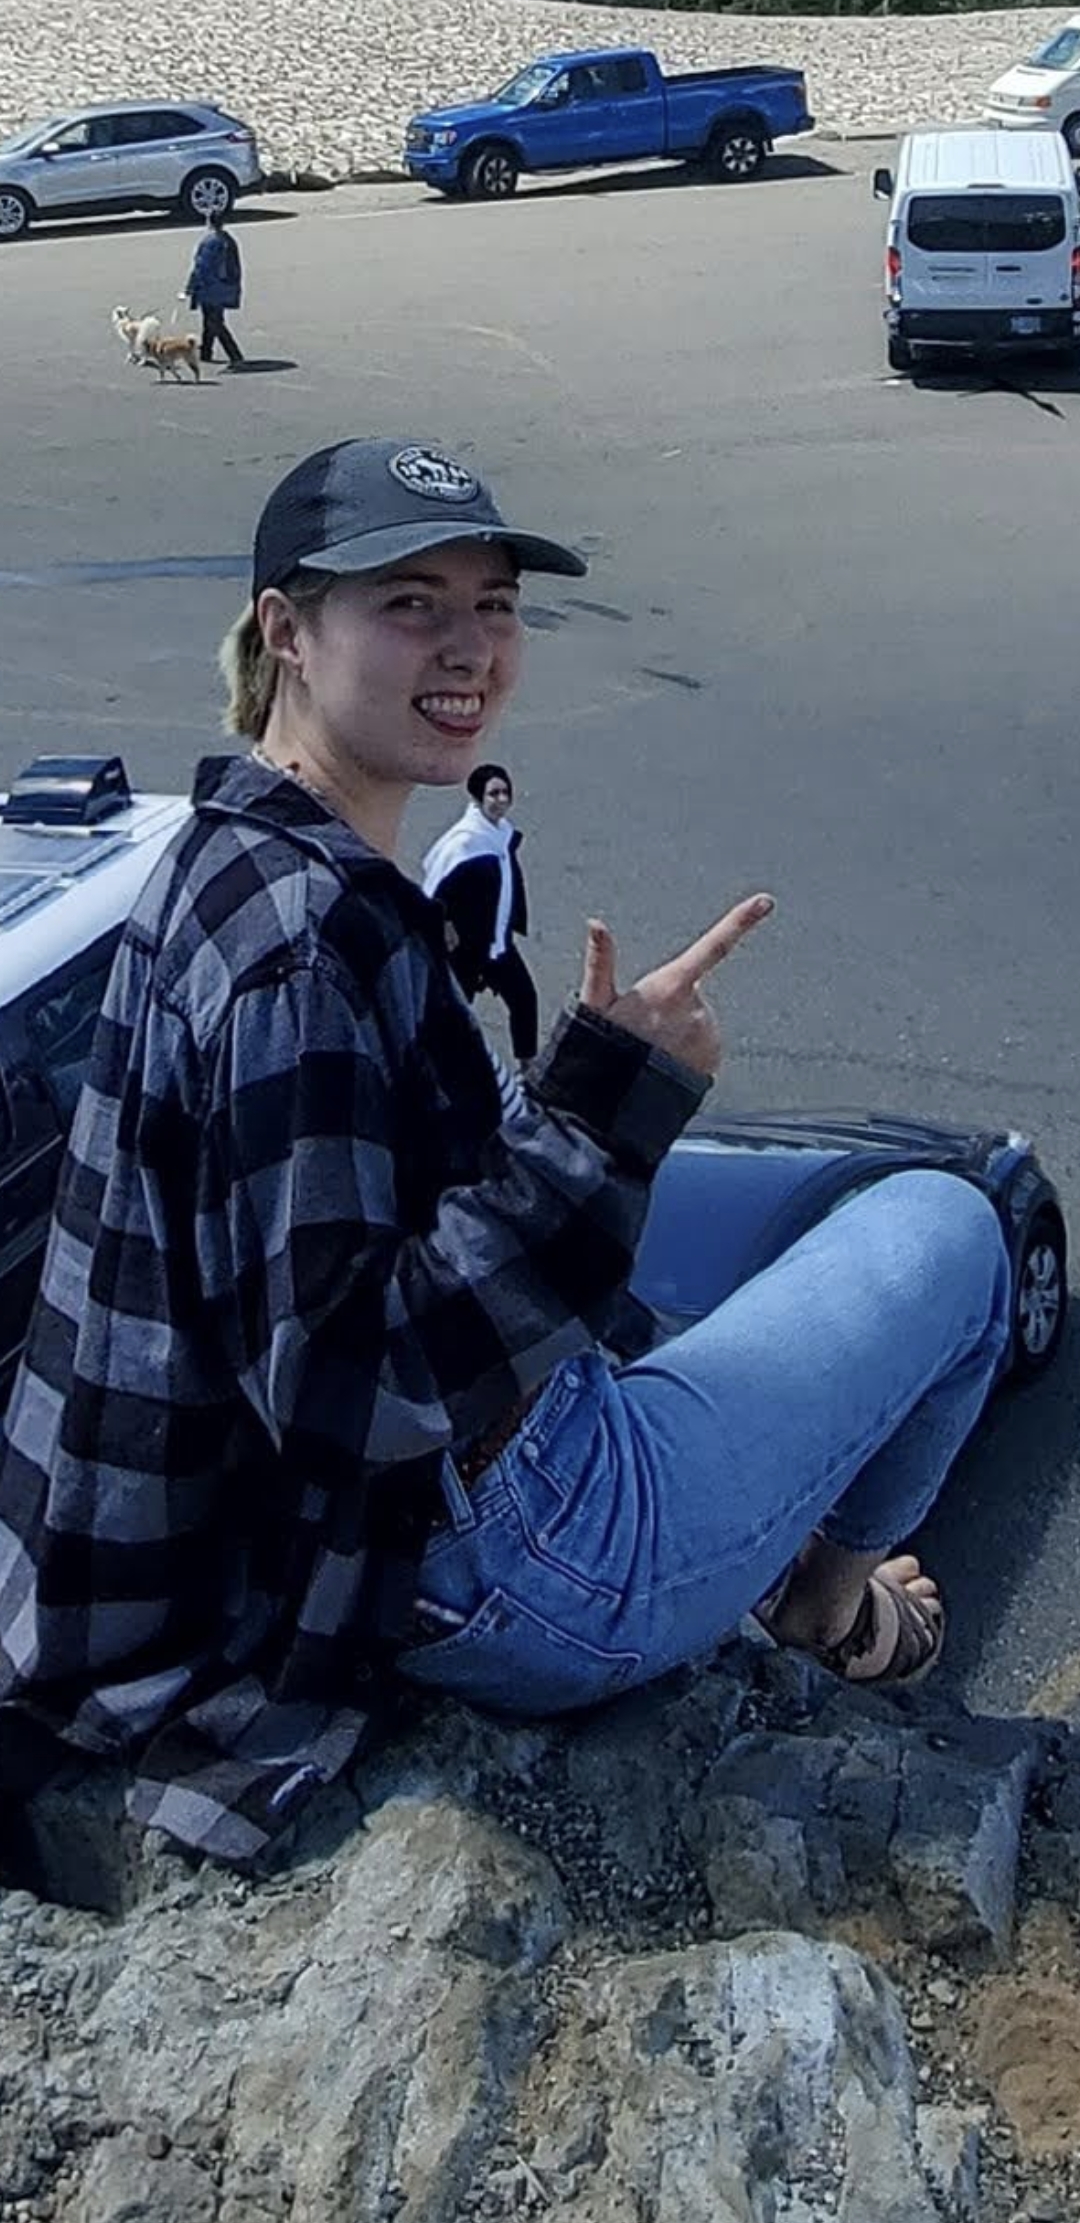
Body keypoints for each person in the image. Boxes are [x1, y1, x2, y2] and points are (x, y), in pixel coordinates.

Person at [0, 438, 1011, 1866]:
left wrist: (588, 1095)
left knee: (739, 1284)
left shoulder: (223, 856)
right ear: (286, 631)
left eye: (494, 604)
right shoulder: (305, 952)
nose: (468, 647)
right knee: (951, 1230)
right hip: (485, 1561)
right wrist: (602, 1117)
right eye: (409, 604)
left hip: (271, 1548)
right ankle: (830, 1603)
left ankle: (772, 1537)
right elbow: (346, 1386)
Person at [421, 763, 539, 1062]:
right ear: (477, 797)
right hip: (465, 948)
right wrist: (444, 925)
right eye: (493, 794)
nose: (501, 800)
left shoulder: (502, 836)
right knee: (453, 1014)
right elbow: (433, 890)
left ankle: (527, 1068)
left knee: (524, 999)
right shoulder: (465, 842)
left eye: (505, 793)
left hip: (498, 943)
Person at [185, 207, 244, 368]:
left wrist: (191, 287)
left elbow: (201, 267)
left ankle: (234, 354)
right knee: (211, 319)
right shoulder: (229, 240)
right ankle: (206, 351)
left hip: (210, 288)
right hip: (226, 286)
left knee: (214, 322)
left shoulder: (209, 242)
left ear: (208, 221)